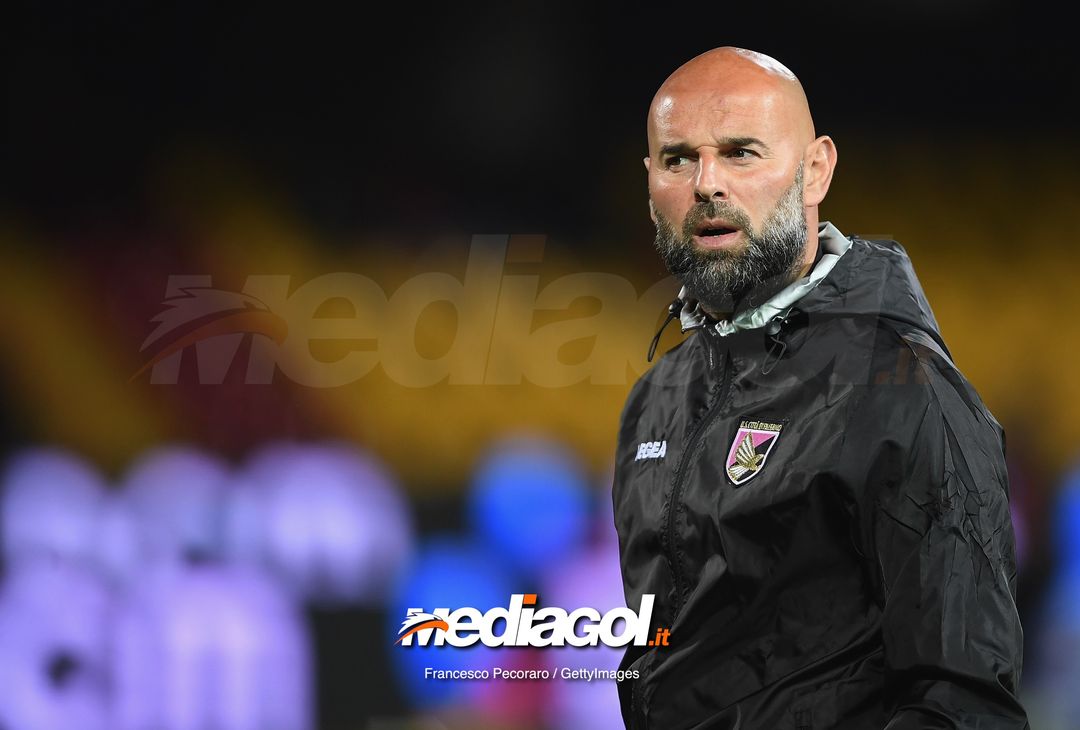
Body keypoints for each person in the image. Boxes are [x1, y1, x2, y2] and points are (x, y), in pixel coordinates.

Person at [611, 47, 1028, 729]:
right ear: (650, 178)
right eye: (679, 158)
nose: (706, 183)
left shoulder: (901, 386)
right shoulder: (653, 401)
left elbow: (962, 701)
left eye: (741, 152)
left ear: (815, 171)